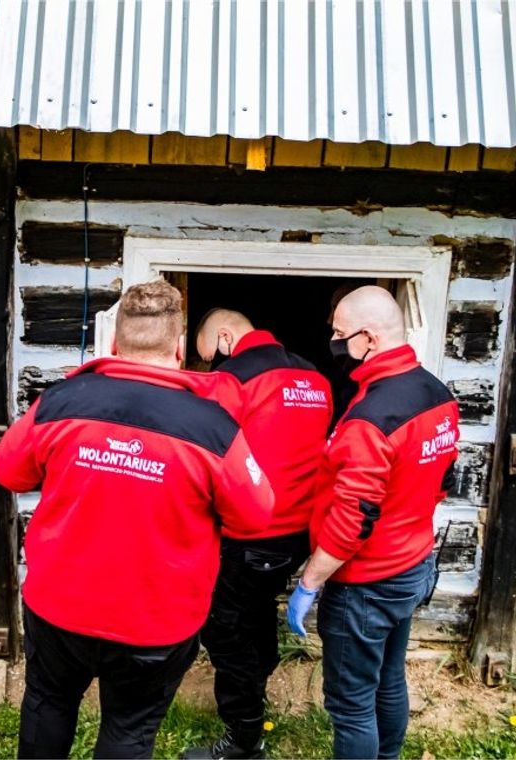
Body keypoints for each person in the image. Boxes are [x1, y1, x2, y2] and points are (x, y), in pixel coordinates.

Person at [0, 280, 274, 759]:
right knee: (128, 731)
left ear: (115, 344)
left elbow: (9, 470)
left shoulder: (62, 401)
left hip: (61, 605)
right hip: (155, 622)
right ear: (180, 348)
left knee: (48, 704)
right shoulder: (212, 427)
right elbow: (256, 514)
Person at [286, 286, 459, 760]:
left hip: (365, 583)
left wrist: (309, 583)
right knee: (388, 678)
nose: (335, 343)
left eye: (341, 334)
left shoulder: (371, 418)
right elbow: (442, 478)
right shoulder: (433, 392)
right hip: (412, 565)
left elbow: (351, 520)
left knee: (351, 704)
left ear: (368, 338)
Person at [186, 309, 332, 759]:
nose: (211, 365)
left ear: (226, 337)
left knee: (225, 630)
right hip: (298, 534)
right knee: (257, 611)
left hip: (248, 531)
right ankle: (256, 690)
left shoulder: (231, 381)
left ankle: (244, 738)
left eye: (210, 355)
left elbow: (206, 451)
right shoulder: (316, 377)